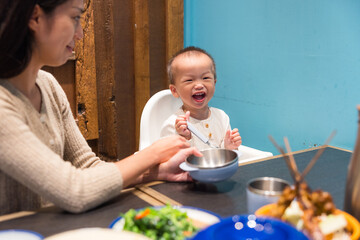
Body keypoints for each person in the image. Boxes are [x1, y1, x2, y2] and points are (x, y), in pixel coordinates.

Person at [0, 0, 201, 215]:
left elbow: (88, 167)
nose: (80, 34)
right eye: (75, 18)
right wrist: (152, 154)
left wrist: (157, 173)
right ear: (35, 17)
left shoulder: (48, 85)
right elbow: (75, 191)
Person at [160, 47, 242, 151]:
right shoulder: (172, 124)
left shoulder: (222, 117)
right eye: (189, 80)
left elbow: (220, 154)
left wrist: (229, 148)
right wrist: (185, 138)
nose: (199, 85)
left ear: (214, 83)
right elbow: (168, 161)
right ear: (174, 90)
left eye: (205, 78)